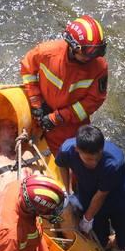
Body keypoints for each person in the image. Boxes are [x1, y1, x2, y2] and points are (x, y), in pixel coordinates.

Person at [20, 15, 108, 153]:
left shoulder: (99, 67)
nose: (92, 58)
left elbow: (94, 101)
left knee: (76, 161)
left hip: (71, 124)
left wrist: (58, 117)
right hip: (42, 111)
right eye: (88, 53)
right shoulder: (46, 52)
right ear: (73, 46)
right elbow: (27, 69)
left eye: (97, 52)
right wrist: (36, 102)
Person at [55, 124, 125, 251]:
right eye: (88, 159)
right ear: (77, 150)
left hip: (119, 201)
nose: (94, 163)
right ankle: (106, 243)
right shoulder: (66, 150)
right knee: (99, 243)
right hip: (88, 195)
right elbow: (62, 165)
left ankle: (114, 241)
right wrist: (68, 190)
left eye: (97, 158)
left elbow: (100, 195)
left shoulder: (113, 163)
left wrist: (87, 219)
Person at [0, 119, 45, 217]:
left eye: (15, 128)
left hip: (34, 215)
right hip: (4, 219)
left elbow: (42, 187)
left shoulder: (27, 156)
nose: (15, 131)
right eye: (11, 127)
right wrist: (9, 213)